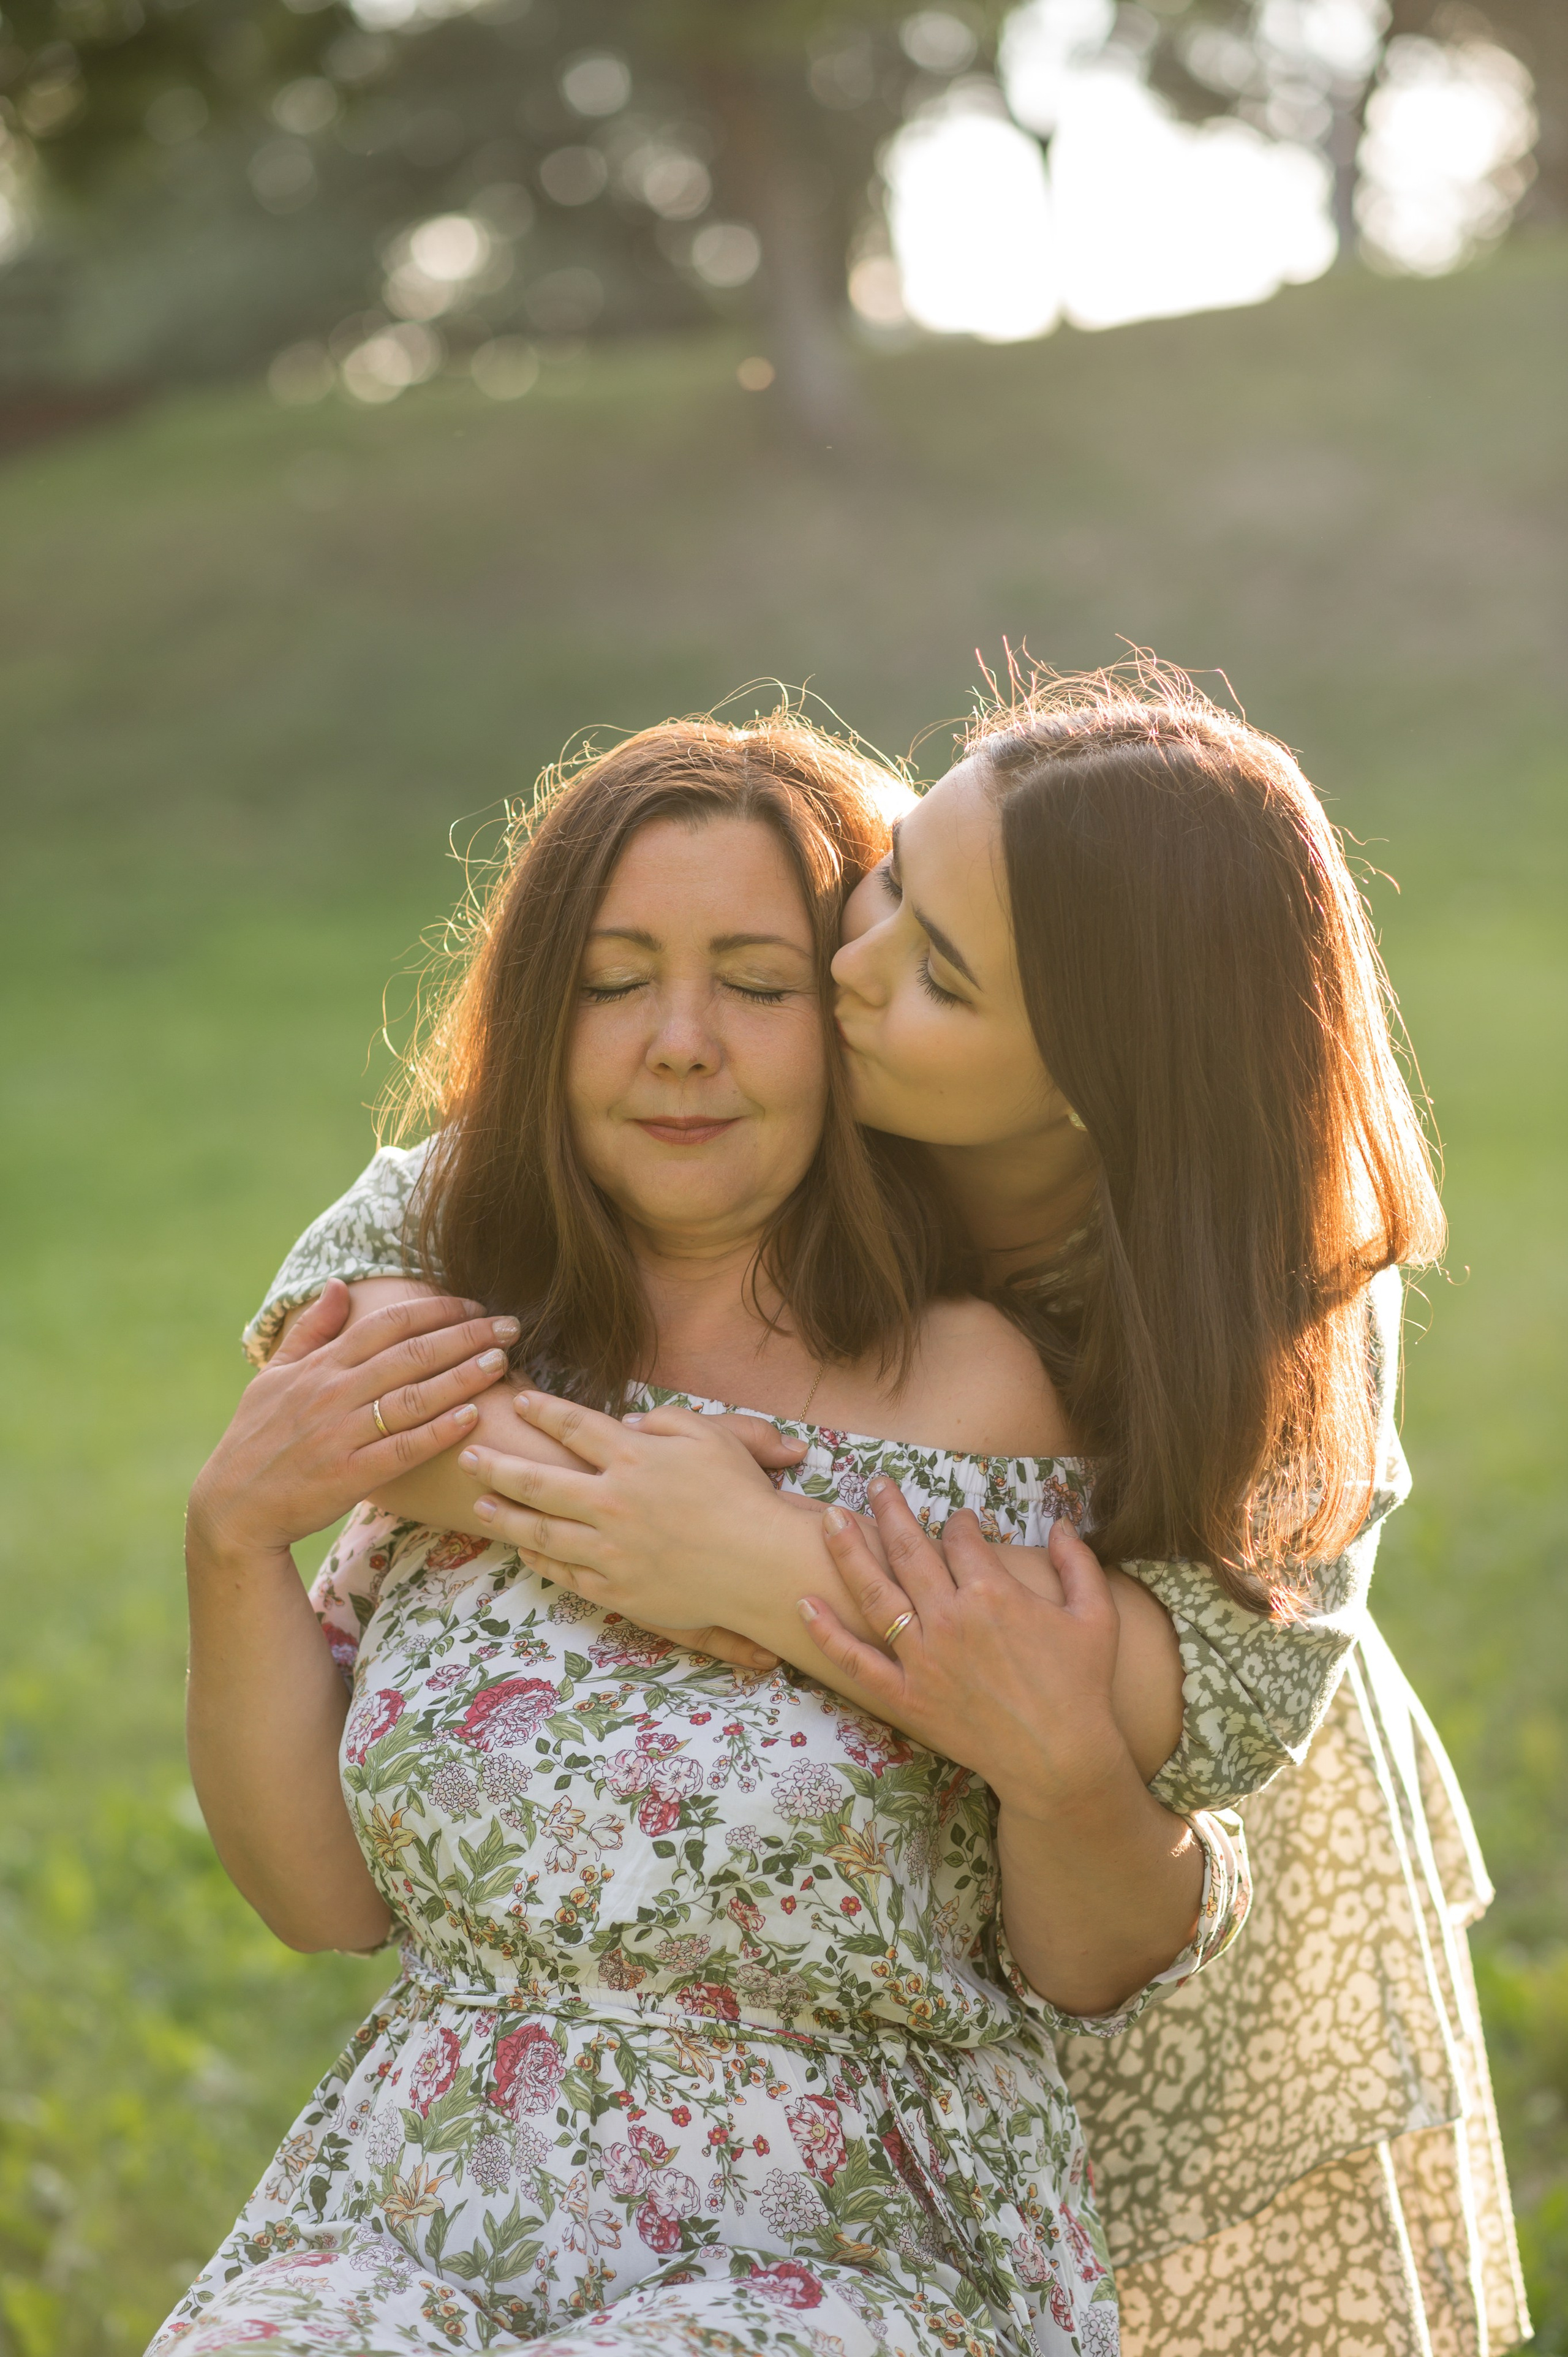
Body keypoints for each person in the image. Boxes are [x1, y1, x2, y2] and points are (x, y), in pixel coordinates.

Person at [265, 674, 1527, 2357]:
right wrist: (626, 1486)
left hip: (1140, 1862)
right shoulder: (822, 1067)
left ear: (1087, 1077)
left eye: (940, 972)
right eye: (893, 877)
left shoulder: (1275, 1286)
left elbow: (1187, 1699)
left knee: (1165, 2290)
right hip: (835, 1848)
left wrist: (767, 1561)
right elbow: (332, 1340)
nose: (853, 965)